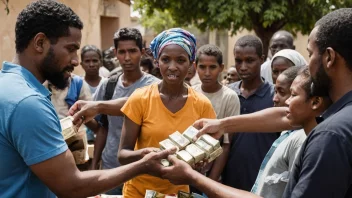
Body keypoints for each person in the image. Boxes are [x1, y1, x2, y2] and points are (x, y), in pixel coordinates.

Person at [0, 1, 174, 198]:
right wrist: (142, 165)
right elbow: (72, 187)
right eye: (71, 49)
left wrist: (98, 106)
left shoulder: (7, 86)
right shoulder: (28, 103)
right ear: (40, 43)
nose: (76, 60)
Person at [161, 66, 330, 198]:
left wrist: (192, 177)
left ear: (315, 102)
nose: (283, 101)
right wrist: (222, 125)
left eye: (292, 94)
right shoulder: (302, 124)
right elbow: (280, 117)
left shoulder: (312, 143)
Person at [117, 28, 216, 198]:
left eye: (180, 60)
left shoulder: (202, 105)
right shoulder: (140, 98)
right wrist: (145, 155)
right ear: (157, 62)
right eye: (166, 59)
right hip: (138, 192)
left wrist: (200, 164)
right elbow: (122, 155)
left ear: (191, 65)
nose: (172, 67)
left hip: (177, 193)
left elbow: (207, 153)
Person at [92, 27, 159, 195]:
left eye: (132, 51)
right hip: (111, 169)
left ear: (142, 52)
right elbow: (103, 128)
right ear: (115, 53)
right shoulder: (107, 86)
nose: (127, 58)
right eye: (122, 52)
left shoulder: (155, 87)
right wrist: (94, 166)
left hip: (144, 170)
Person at [225, 35, 277, 191]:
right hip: (228, 180)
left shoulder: (274, 95)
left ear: (261, 59)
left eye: (249, 60)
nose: (243, 67)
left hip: (263, 181)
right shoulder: (228, 93)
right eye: (238, 61)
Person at [192, 44, 240, 182]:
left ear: (221, 68)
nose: (207, 73)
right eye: (202, 67)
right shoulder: (191, 93)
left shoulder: (229, 97)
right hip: (187, 169)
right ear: (195, 67)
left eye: (212, 67)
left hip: (211, 173)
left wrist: (210, 182)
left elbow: (226, 144)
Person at [80, 45, 106, 143]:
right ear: (81, 64)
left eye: (95, 61)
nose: (91, 64)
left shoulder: (107, 84)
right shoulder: (77, 85)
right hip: (83, 137)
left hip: (104, 136)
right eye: (87, 61)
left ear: (100, 62)